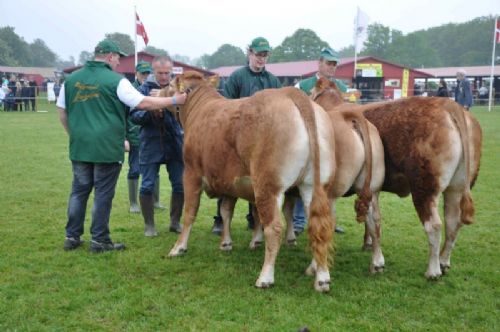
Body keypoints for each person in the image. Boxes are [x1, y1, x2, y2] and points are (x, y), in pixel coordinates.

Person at [57, 39, 186, 252]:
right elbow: (142, 104)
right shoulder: (116, 81)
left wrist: (73, 134)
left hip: (80, 146)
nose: (119, 61)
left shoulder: (71, 80)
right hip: (107, 148)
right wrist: (173, 101)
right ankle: (99, 240)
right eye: (118, 57)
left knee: (79, 192)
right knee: (102, 194)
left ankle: (72, 237)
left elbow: (62, 111)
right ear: (109, 56)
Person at [211, 36, 282, 236]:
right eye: (258, 54)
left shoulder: (272, 80)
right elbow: (225, 107)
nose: (261, 59)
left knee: (259, 182)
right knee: (227, 181)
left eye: (265, 55)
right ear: (249, 53)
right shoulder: (236, 77)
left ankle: (255, 219)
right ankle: (219, 219)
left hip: (263, 141)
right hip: (236, 140)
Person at [130, 55, 185, 236]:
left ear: (172, 71)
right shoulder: (143, 89)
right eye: (160, 73)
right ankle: (149, 226)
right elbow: (134, 116)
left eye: (167, 73)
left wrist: (170, 108)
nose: (163, 76)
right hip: (150, 143)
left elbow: (185, 112)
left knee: (179, 185)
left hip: (174, 142)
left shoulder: (178, 89)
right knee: (147, 185)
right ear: (154, 71)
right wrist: (152, 111)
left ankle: (175, 223)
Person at [294, 47, 347, 235]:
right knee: (306, 178)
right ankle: (299, 220)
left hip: (336, 139)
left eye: (334, 64)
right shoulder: (304, 85)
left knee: (330, 181)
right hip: (310, 138)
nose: (332, 67)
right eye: (328, 63)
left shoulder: (342, 87)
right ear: (320, 63)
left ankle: (330, 219)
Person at [125, 60, 164, 214]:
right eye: (142, 73)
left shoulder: (154, 88)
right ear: (136, 73)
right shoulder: (130, 90)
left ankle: (156, 201)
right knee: (134, 169)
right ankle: (133, 203)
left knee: (155, 170)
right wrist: (125, 137)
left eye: (148, 73)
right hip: (134, 136)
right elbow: (125, 116)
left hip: (151, 138)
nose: (145, 76)